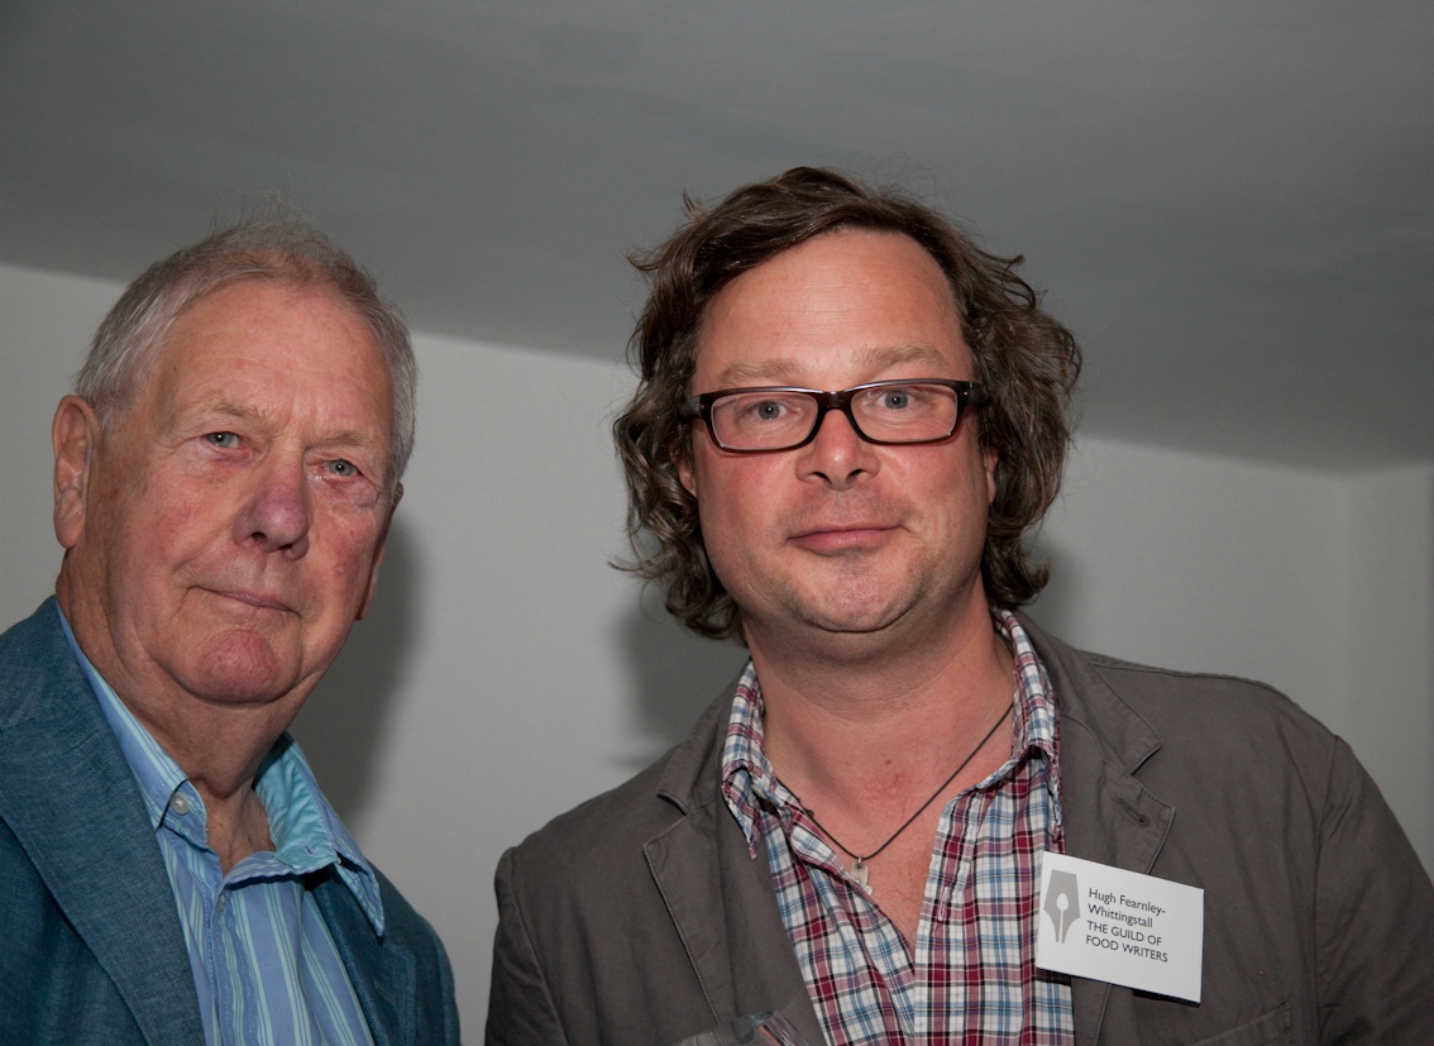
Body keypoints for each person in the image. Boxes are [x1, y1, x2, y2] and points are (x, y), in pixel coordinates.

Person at [485, 167, 1434, 1045]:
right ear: (688, 470)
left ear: (991, 449)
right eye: (767, 407)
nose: (838, 453)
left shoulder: (1278, 782)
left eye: (898, 396)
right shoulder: (565, 906)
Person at [0, 210, 459, 1045]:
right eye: (223, 438)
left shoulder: (406, 966)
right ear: (78, 470)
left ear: (376, 555)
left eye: (340, 468)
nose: (281, 516)